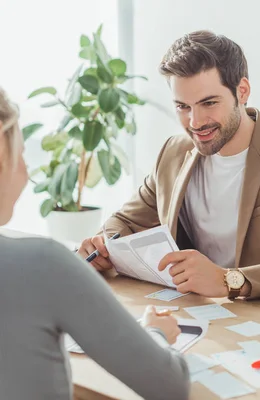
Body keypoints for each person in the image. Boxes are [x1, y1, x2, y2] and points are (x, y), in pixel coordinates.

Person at [77, 30, 260, 300]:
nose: (195, 122)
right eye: (182, 107)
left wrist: (231, 281)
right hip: (201, 315)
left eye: (209, 103)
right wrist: (103, 244)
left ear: (242, 91)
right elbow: (124, 222)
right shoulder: (173, 153)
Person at [0, 88, 190, 399]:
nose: (26, 170)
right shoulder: (42, 262)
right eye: (20, 153)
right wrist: (154, 332)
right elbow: (170, 386)